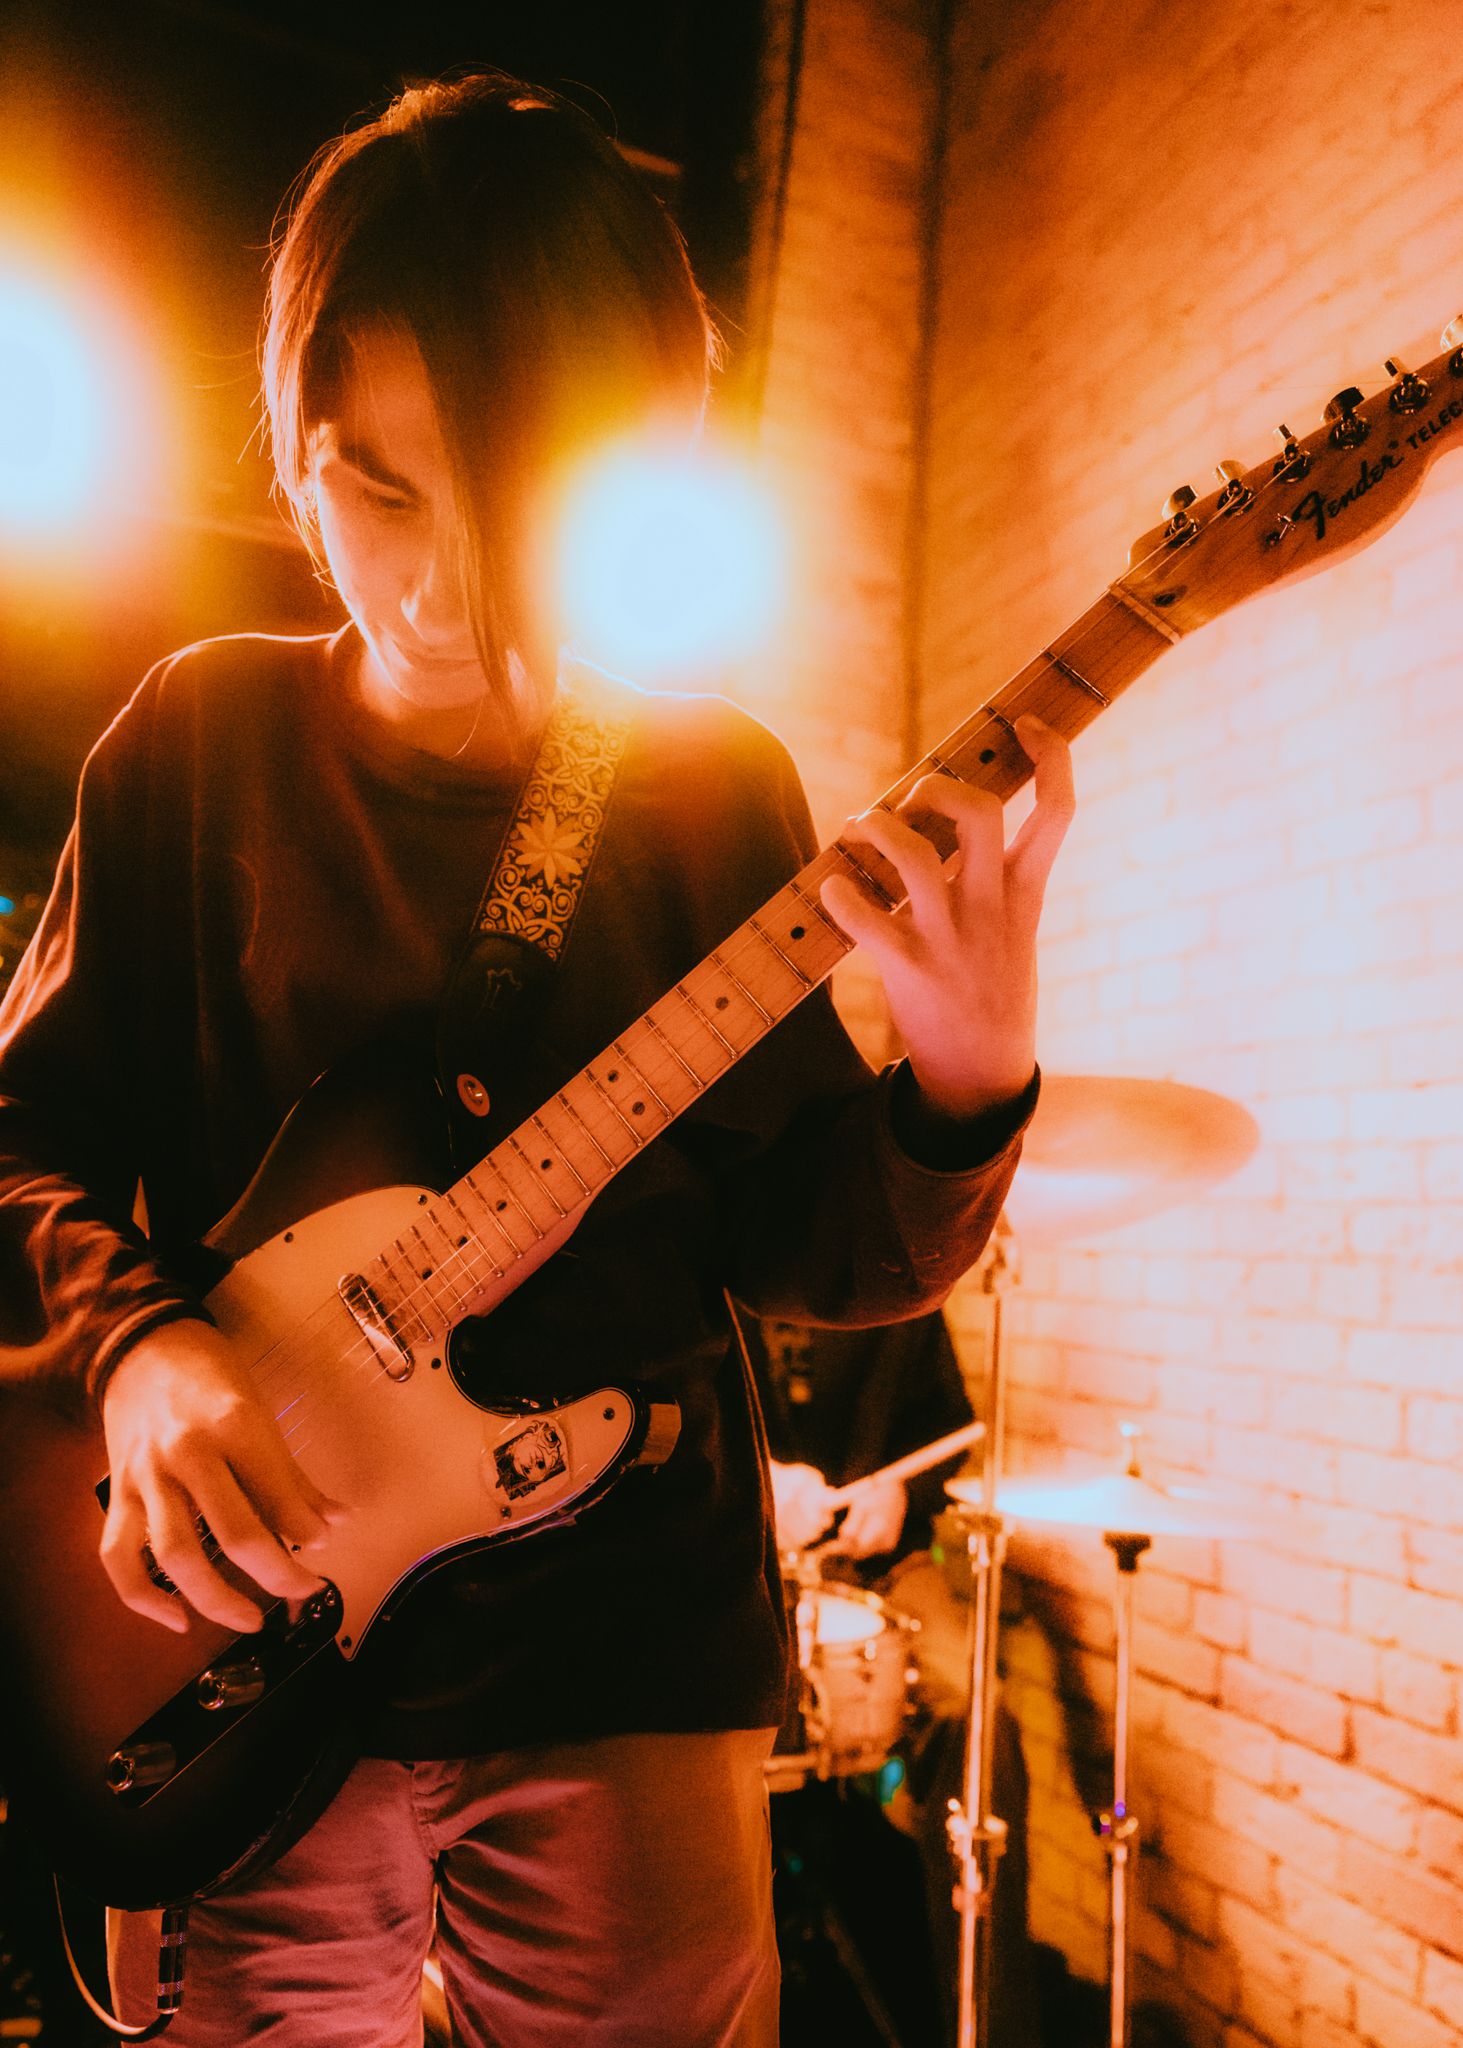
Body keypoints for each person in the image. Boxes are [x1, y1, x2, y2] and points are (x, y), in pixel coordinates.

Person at [0, 72, 1074, 2048]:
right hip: (240, 1638)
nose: (433, 586)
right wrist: (138, 1353)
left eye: (505, 509)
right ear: (293, 445)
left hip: (626, 1651)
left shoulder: (706, 787)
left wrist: (961, 1081)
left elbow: (811, 1248)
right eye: (373, 488)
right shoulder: (189, 747)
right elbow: (17, 1139)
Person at [749, 1311, 1041, 2048]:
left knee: (976, 1714)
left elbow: (948, 1426)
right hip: (736, 1570)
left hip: (883, 1566)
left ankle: (990, 2026)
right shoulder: (697, 1265)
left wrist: (900, 1495)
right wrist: (755, 1486)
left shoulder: (900, 1278)